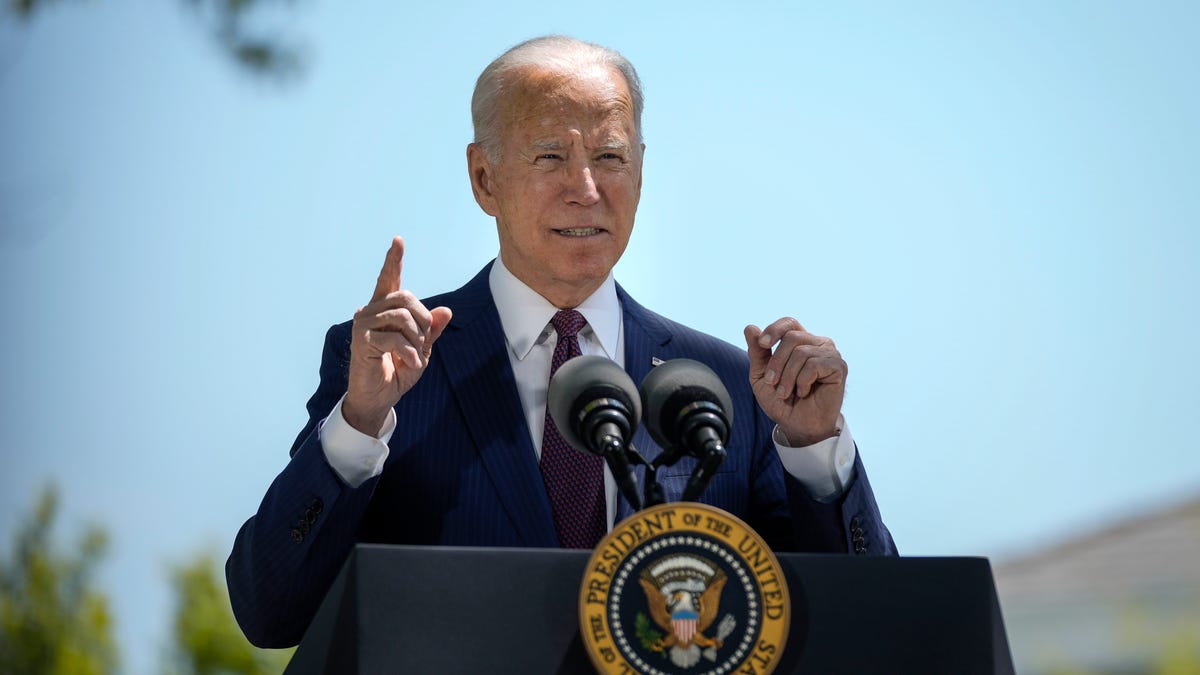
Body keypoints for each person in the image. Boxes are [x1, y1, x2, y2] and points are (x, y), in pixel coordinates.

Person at [226, 35, 896, 649]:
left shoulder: (729, 390)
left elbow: (870, 629)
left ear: (640, 170)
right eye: (551, 156)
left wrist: (815, 449)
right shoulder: (389, 369)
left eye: (609, 157)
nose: (586, 190)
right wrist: (360, 424)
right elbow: (271, 611)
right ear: (484, 178)